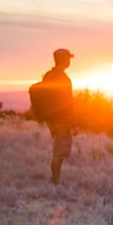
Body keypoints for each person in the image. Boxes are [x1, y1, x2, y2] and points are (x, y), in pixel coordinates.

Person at [42, 48, 75, 184]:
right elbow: (68, 104)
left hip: (51, 120)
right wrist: (72, 123)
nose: (70, 61)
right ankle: (55, 181)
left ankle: (55, 179)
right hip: (61, 120)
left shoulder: (48, 75)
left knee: (58, 148)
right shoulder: (64, 79)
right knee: (60, 150)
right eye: (68, 58)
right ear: (64, 60)